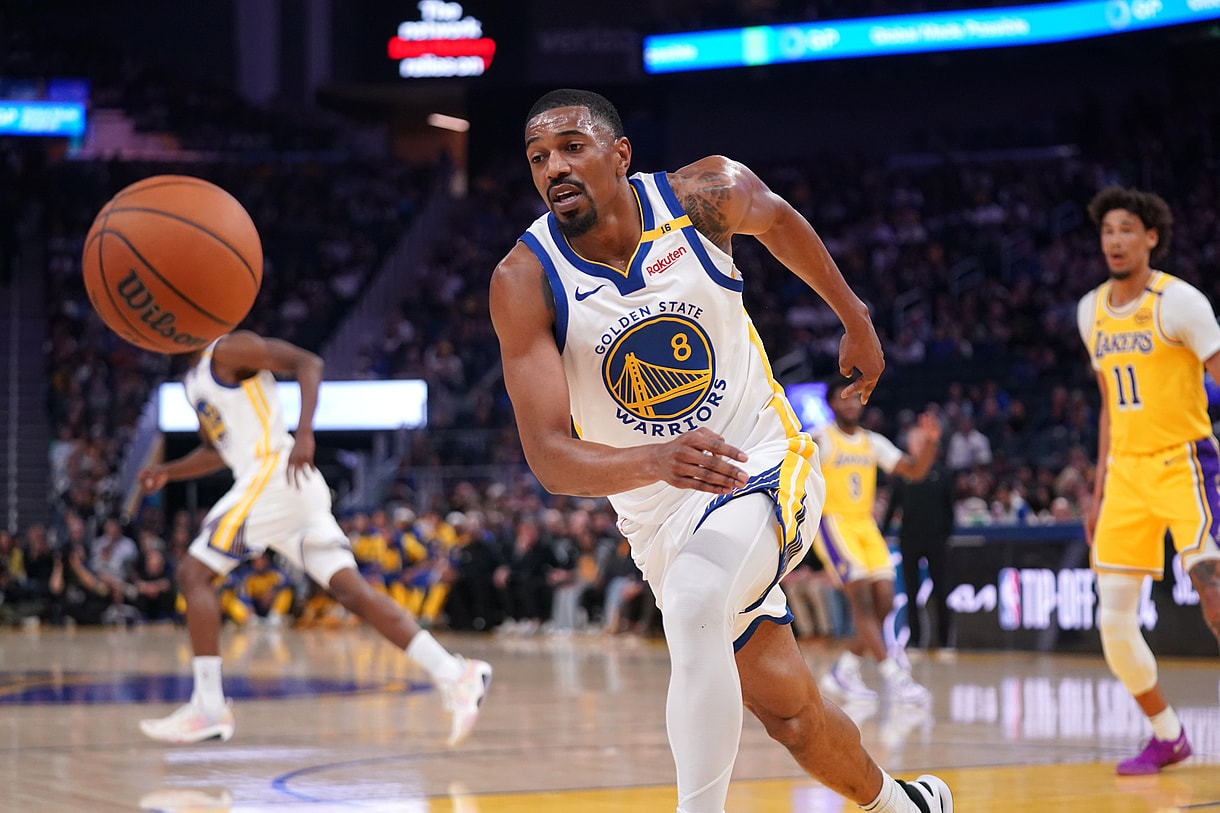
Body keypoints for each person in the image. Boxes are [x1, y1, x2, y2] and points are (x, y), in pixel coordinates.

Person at [489, 88, 951, 813]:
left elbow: (779, 220)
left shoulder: (704, 194)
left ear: (620, 154)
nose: (555, 168)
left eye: (572, 147)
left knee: (697, 600)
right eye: (538, 158)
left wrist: (854, 316)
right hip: (660, 515)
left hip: (762, 458)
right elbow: (549, 456)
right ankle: (906, 804)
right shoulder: (524, 279)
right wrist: (655, 460)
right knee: (793, 716)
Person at [136, 331, 491, 746]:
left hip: (273, 473)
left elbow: (310, 363)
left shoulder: (230, 348)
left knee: (193, 574)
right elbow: (218, 451)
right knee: (352, 592)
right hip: (285, 486)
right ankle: (457, 674)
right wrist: (168, 472)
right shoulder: (191, 381)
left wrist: (305, 433)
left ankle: (209, 708)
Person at [1077, 185, 1220, 775]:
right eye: (1108, 230)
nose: (1116, 239)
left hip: (1184, 463)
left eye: (1127, 229)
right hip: (1125, 476)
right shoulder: (1090, 310)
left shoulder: (1180, 302)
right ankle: (1168, 735)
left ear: (1151, 237)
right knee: (1112, 618)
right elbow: (1110, 402)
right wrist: (1098, 486)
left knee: (1213, 590)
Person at [813, 381, 941, 703]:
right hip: (835, 524)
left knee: (885, 601)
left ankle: (844, 668)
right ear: (831, 404)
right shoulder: (822, 439)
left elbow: (915, 471)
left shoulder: (872, 442)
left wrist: (930, 444)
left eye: (857, 398)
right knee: (863, 603)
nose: (852, 404)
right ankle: (894, 675)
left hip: (865, 525)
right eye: (844, 399)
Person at [881, 441, 956, 655]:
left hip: (936, 541)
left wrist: (946, 537)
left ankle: (945, 641)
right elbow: (892, 507)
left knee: (941, 591)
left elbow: (949, 508)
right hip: (909, 540)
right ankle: (915, 640)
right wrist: (884, 533)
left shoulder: (942, 473)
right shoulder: (903, 475)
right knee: (911, 592)